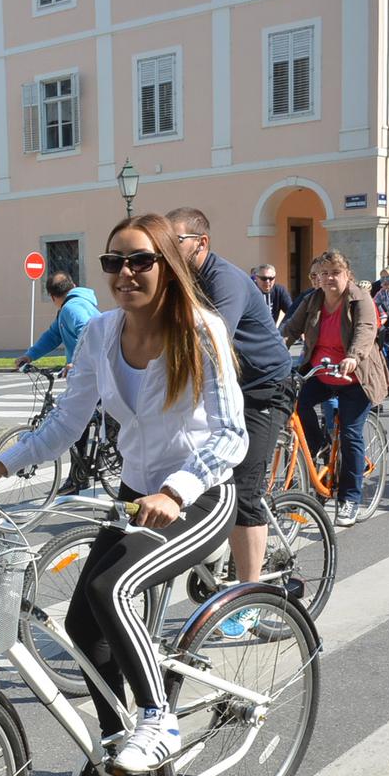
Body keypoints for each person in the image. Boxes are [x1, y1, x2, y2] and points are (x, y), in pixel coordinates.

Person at [0, 213, 245, 774]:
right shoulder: (99, 333)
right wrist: (2, 463)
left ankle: (159, 717)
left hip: (199, 498)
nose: (125, 273)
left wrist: (176, 489)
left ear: (167, 266)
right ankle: (117, 746)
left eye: (140, 260)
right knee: (82, 625)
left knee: (109, 585)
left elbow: (230, 435)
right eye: (113, 262)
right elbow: (67, 423)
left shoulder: (200, 328)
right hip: (134, 495)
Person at [169, 207, 295, 641]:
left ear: (200, 243)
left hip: (265, 388)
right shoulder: (180, 279)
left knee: (245, 489)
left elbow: (211, 339)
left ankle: (249, 603)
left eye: (175, 242)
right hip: (229, 387)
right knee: (190, 472)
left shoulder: (224, 280)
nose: (167, 251)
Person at [279, 251, 389, 528]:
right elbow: (289, 329)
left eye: (335, 273)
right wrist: (271, 350)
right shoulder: (313, 300)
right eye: (324, 273)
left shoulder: (359, 299)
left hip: (355, 377)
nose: (329, 278)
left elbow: (366, 329)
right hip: (321, 373)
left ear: (347, 275)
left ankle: (350, 498)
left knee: (351, 432)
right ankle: (320, 446)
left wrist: (353, 356)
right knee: (297, 405)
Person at [14, 271, 103, 491]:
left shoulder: (71, 308)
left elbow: (87, 330)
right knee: (85, 421)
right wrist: (30, 355)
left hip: (92, 373)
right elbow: (53, 336)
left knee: (76, 421)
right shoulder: (73, 306)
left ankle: (79, 477)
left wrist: (75, 361)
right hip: (93, 372)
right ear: (73, 285)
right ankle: (83, 472)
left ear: (53, 297)